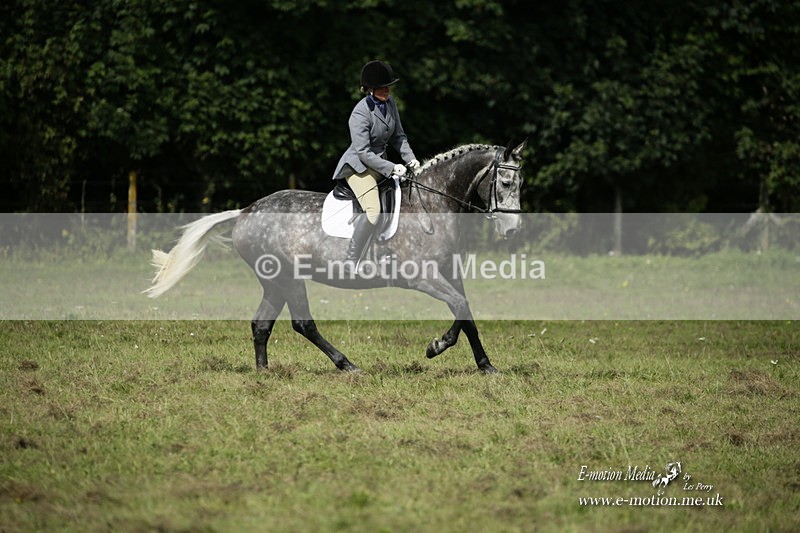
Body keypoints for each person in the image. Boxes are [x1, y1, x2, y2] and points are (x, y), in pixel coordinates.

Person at [331, 59, 420, 266]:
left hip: (379, 164)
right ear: (370, 89)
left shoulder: (390, 103)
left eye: (388, 86)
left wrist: (411, 159)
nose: (387, 90)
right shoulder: (360, 113)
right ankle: (351, 259)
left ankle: (383, 248)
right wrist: (391, 167)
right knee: (373, 210)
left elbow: (399, 136)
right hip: (358, 167)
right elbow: (363, 152)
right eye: (382, 87)